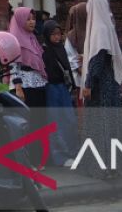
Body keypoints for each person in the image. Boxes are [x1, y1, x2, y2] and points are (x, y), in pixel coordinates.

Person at [78, 0, 122, 179]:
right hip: (109, 83)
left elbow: (97, 60)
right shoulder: (106, 27)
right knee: (110, 122)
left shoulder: (99, 29)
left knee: (101, 123)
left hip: (101, 86)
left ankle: (102, 166)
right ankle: (113, 165)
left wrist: (88, 83)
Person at [41, 20, 80, 165]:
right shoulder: (45, 50)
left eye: (59, 34)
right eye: (54, 34)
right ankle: (60, 156)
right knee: (56, 122)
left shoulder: (60, 48)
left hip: (63, 88)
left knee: (69, 120)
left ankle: (72, 151)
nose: (57, 37)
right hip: (52, 88)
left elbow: (67, 68)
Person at [8, 7, 48, 107]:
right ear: (20, 20)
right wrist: (18, 88)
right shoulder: (14, 40)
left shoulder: (32, 38)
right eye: (28, 19)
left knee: (40, 119)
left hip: (38, 84)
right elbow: (13, 66)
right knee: (28, 119)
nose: (32, 22)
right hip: (24, 86)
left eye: (33, 19)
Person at [65, 1, 87, 89]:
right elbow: (71, 59)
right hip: (80, 78)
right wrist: (82, 72)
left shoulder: (94, 32)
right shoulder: (72, 36)